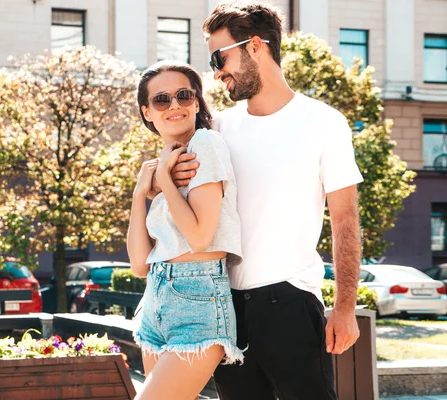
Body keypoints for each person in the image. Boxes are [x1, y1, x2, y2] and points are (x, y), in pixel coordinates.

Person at [162, 2, 363, 399]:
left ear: (255, 46)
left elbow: (344, 220)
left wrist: (344, 308)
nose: (217, 72)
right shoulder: (217, 128)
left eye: (220, 57)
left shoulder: (323, 122)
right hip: (224, 308)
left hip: (290, 301)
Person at [127, 61, 244, 400]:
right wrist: (139, 192)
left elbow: (199, 236)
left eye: (183, 95)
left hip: (199, 298)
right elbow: (138, 264)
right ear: (147, 112)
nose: (174, 105)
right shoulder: (166, 159)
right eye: (162, 100)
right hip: (155, 299)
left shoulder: (205, 144)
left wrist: (163, 180)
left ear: (196, 102)